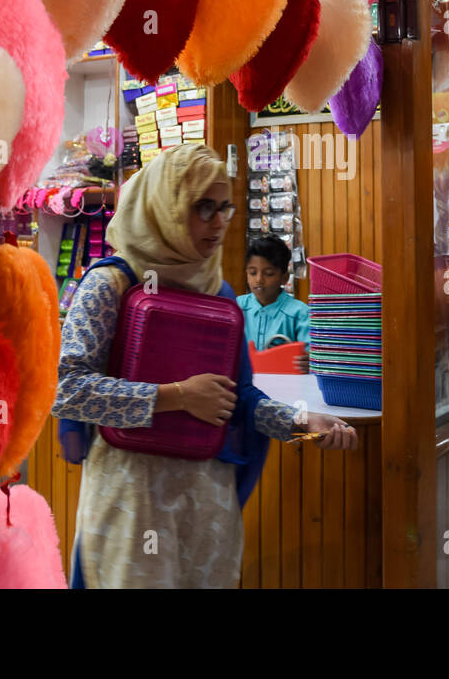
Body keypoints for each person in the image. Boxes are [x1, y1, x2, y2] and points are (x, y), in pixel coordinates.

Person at [51, 145, 357, 588]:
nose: (218, 223)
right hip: (131, 504)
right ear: (167, 206)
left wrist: (302, 422)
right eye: (203, 208)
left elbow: (239, 400)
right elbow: (70, 390)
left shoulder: (218, 294)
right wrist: (174, 397)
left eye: (224, 208)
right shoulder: (111, 283)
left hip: (204, 506)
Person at [237, 234, 310, 372]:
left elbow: (312, 357)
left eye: (269, 273)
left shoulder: (300, 313)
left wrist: (310, 361)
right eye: (252, 273)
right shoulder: (237, 308)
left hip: (285, 388)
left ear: (284, 278)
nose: (259, 279)